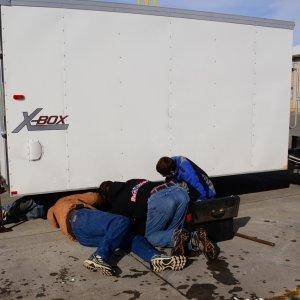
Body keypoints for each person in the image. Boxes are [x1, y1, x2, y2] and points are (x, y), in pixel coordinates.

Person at [47, 191, 186, 276]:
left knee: (127, 236)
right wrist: (102, 199)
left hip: (81, 237)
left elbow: (53, 223)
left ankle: (154, 258)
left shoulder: (53, 212)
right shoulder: (64, 200)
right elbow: (93, 197)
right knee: (122, 221)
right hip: (80, 217)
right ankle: (99, 256)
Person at [99, 179, 219, 261]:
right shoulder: (131, 182)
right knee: (174, 231)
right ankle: (196, 237)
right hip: (178, 191)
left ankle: (186, 237)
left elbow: (126, 223)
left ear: (106, 196)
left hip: (160, 200)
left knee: (151, 236)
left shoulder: (118, 203)